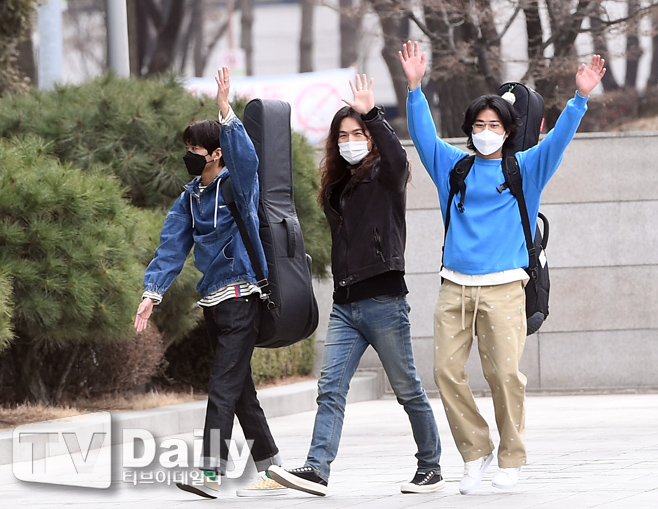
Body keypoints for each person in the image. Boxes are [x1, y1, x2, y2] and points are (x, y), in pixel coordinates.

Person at [399, 40, 606, 494]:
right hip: (454, 286)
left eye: (494, 125)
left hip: (505, 287)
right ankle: (476, 451)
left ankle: (511, 459)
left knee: (504, 376)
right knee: (445, 372)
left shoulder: (525, 169)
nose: (486, 131)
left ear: (509, 131)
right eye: (479, 125)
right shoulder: (453, 168)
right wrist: (414, 89)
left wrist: (580, 98)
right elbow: (424, 136)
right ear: (469, 130)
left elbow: (558, 142)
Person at [267, 74, 444, 496]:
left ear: (370, 137)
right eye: (342, 135)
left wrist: (373, 115)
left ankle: (431, 467)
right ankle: (317, 469)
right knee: (330, 388)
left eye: (357, 133)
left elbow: (398, 158)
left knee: (407, 390)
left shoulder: (386, 175)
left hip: (384, 299)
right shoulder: (337, 184)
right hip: (345, 304)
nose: (349, 141)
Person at [134, 66, 287, 498]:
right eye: (187, 149)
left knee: (221, 385)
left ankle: (210, 471)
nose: (189, 155)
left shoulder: (238, 186)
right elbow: (171, 247)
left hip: (241, 297)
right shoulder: (190, 198)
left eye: (195, 149)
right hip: (213, 305)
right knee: (239, 391)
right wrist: (151, 294)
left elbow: (248, 160)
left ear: (216, 154)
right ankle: (274, 470)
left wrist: (225, 112)